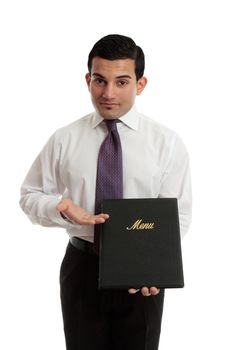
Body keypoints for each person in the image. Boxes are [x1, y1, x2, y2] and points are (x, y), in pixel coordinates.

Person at [20, 34, 192, 350]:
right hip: (82, 267)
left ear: (140, 84)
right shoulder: (65, 138)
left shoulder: (166, 143)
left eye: (122, 82)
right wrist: (60, 207)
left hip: (142, 278)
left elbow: (177, 215)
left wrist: (156, 266)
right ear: (88, 80)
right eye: (100, 80)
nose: (108, 93)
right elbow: (29, 194)